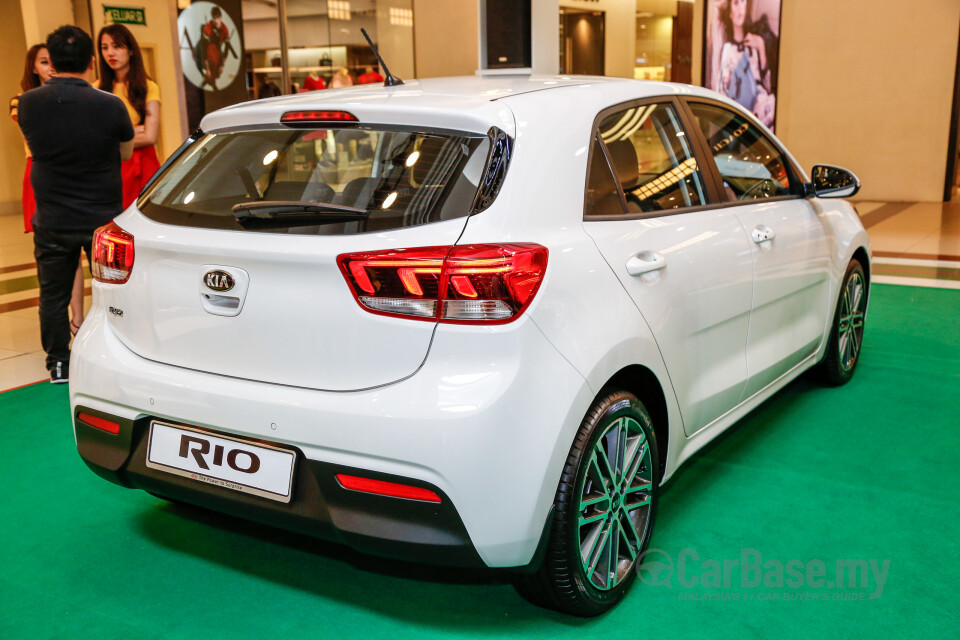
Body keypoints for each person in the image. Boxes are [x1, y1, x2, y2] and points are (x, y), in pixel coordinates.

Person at [18, 25, 133, 383]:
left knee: (52, 294)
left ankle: (58, 362)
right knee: (114, 290)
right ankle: (119, 355)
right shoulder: (111, 104)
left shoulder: (28, 104)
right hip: (103, 218)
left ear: (51, 61)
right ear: (92, 60)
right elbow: (126, 152)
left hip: (52, 217)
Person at [11, 45, 87, 335]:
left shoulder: (73, 98)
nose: (50, 67)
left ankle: (78, 318)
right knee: (53, 255)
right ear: (33, 67)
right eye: (44, 62)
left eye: (53, 61)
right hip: (41, 172)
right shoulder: (21, 101)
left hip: (73, 172)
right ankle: (57, 321)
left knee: (76, 252)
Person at [97, 24, 161, 209]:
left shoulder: (148, 86)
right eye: (105, 47)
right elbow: (94, 135)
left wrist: (111, 140)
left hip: (142, 162)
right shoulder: (96, 88)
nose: (110, 53)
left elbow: (150, 136)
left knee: (145, 217)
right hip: (111, 165)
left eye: (117, 46)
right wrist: (136, 130)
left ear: (131, 50)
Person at [709, 0, 778, 128]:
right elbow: (722, 89)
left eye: (743, 2)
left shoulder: (754, 42)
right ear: (729, 12)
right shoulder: (728, 49)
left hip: (760, 103)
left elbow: (767, 85)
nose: (741, 7)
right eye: (736, 3)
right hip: (740, 106)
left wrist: (761, 48)